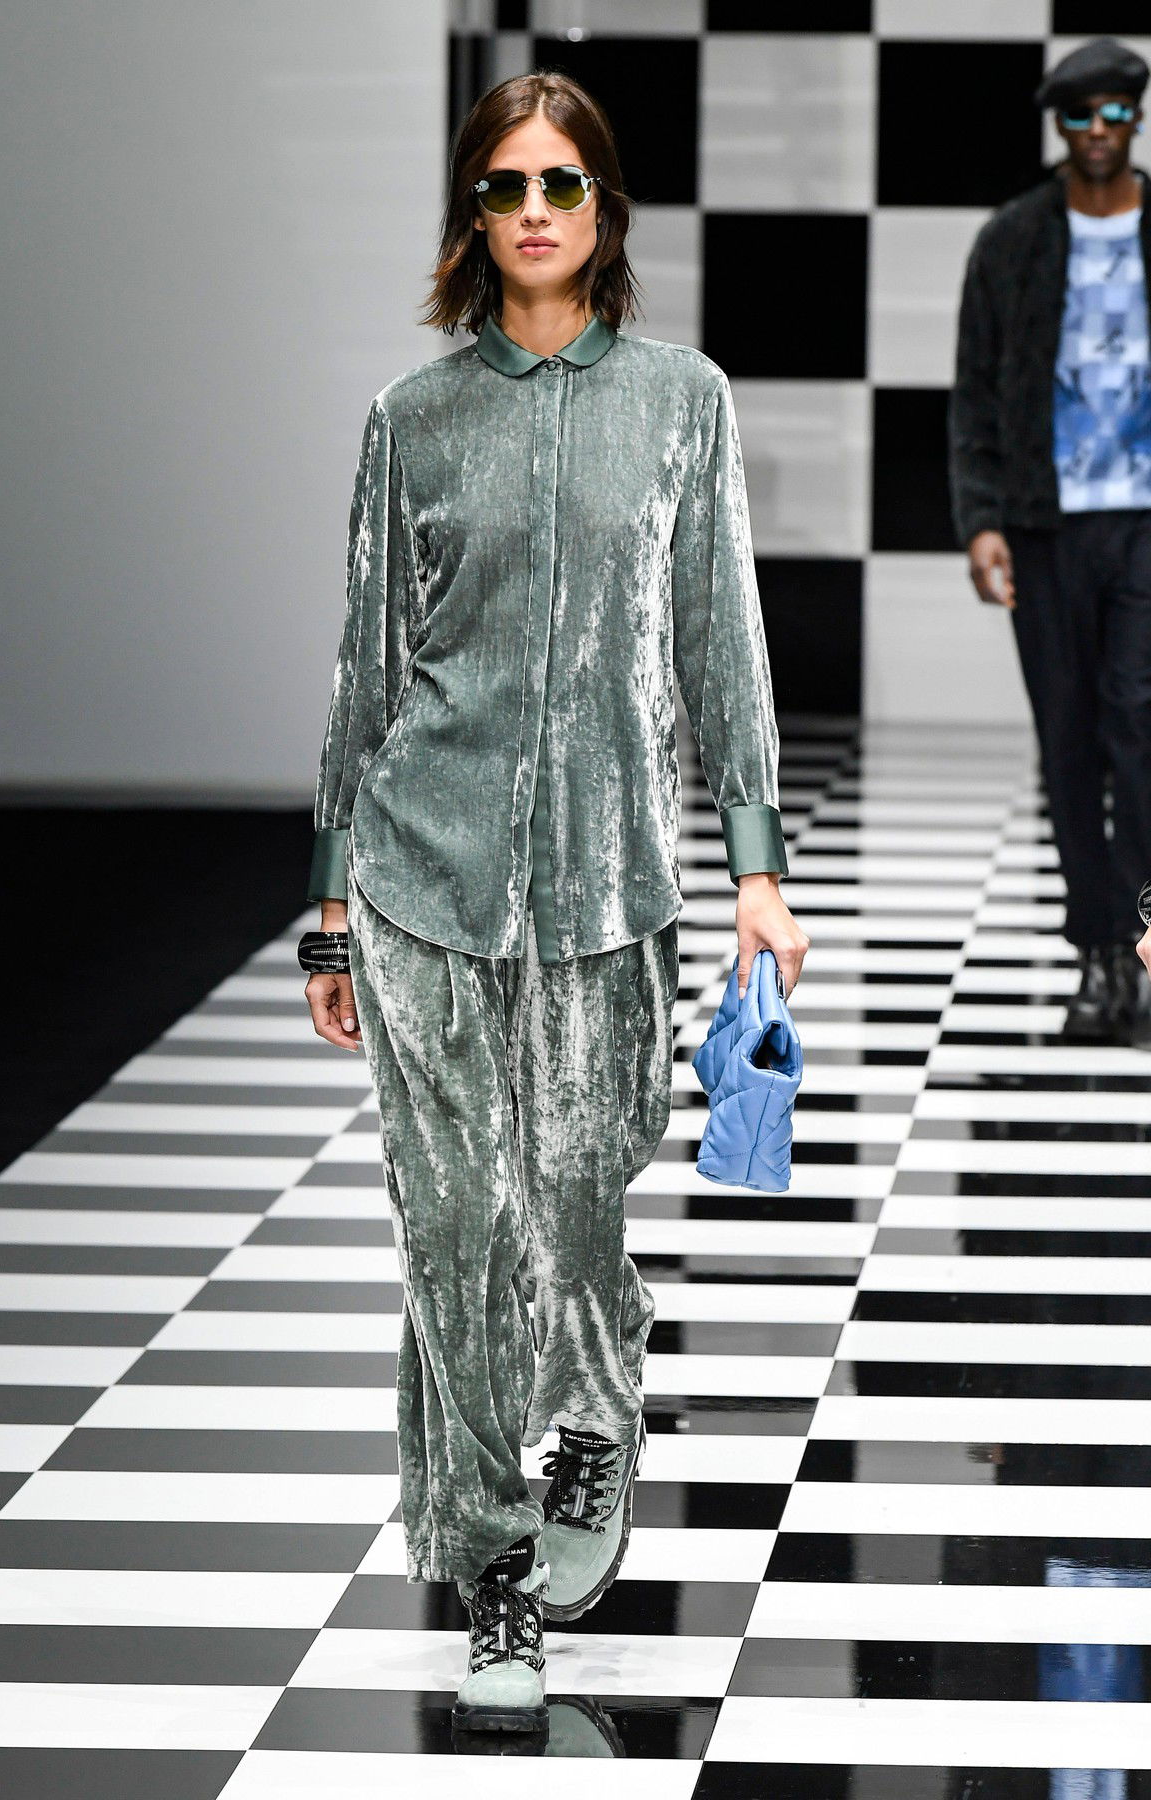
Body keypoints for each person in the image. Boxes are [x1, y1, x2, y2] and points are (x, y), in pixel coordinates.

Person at [297, 71, 808, 1736]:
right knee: (453, 1229)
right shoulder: (413, 419)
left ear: (604, 210)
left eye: (561, 185)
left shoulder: (681, 403)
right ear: (474, 211)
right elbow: (367, 671)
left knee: (579, 1200)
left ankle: (596, 1410)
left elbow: (721, 642)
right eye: (505, 186)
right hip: (424, 877)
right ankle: (490, 1560)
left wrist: (757, 873)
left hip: (610, 880)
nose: (533, 211)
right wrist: (327, 905)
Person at [949, 35, 1151, 1050]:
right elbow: (976, 391)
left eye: (1117, 111)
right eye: (1082, 114)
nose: (1100, 129)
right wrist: (982, 519)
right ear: (1059, 125)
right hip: (1045, 523)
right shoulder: (1013, 240)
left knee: (1139, 723)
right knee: (1068, 740)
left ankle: (1145, 937)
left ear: (1138, 118)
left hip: (1147, 522)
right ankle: (1101, 952)